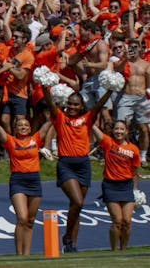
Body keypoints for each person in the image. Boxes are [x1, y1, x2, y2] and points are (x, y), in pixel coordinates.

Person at [0, 97, 52, 255]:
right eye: (20, 125)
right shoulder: (10, 141)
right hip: (18, 181)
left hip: (34, 181)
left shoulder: (36, 139)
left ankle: (26, 254)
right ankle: (18, 253)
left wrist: (56, 102)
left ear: (30, 128)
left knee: (30, 221)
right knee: (22, 218)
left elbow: (49, 123)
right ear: (15, 128)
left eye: (26, 125)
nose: (23, 127)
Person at [48, 89, 112, 252]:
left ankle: (71, 245)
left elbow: (99, 105)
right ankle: (67, 237)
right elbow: (50, 104)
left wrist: (110, 89)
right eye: (69, 103)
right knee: (77, 202)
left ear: (82, 106)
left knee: (76, 207)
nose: (72, 107)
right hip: (66, 164)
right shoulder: (60, 117)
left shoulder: (87, 118)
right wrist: (44, 87)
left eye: (76, 104)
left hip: (83, 165)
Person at [92, 120, 141, 250]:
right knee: (118, 221)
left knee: (127, 221)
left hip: (127, 186)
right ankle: (114, 251)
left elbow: (135, 171)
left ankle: (123, 249)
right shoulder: (109, 143)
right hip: (110, 186)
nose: (119, 131)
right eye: (116, 129)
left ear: (126, 132)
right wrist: (89, 120)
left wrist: (135, 190)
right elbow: (96, 131)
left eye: (122, 129)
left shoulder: (134, 149)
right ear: (113, 131)